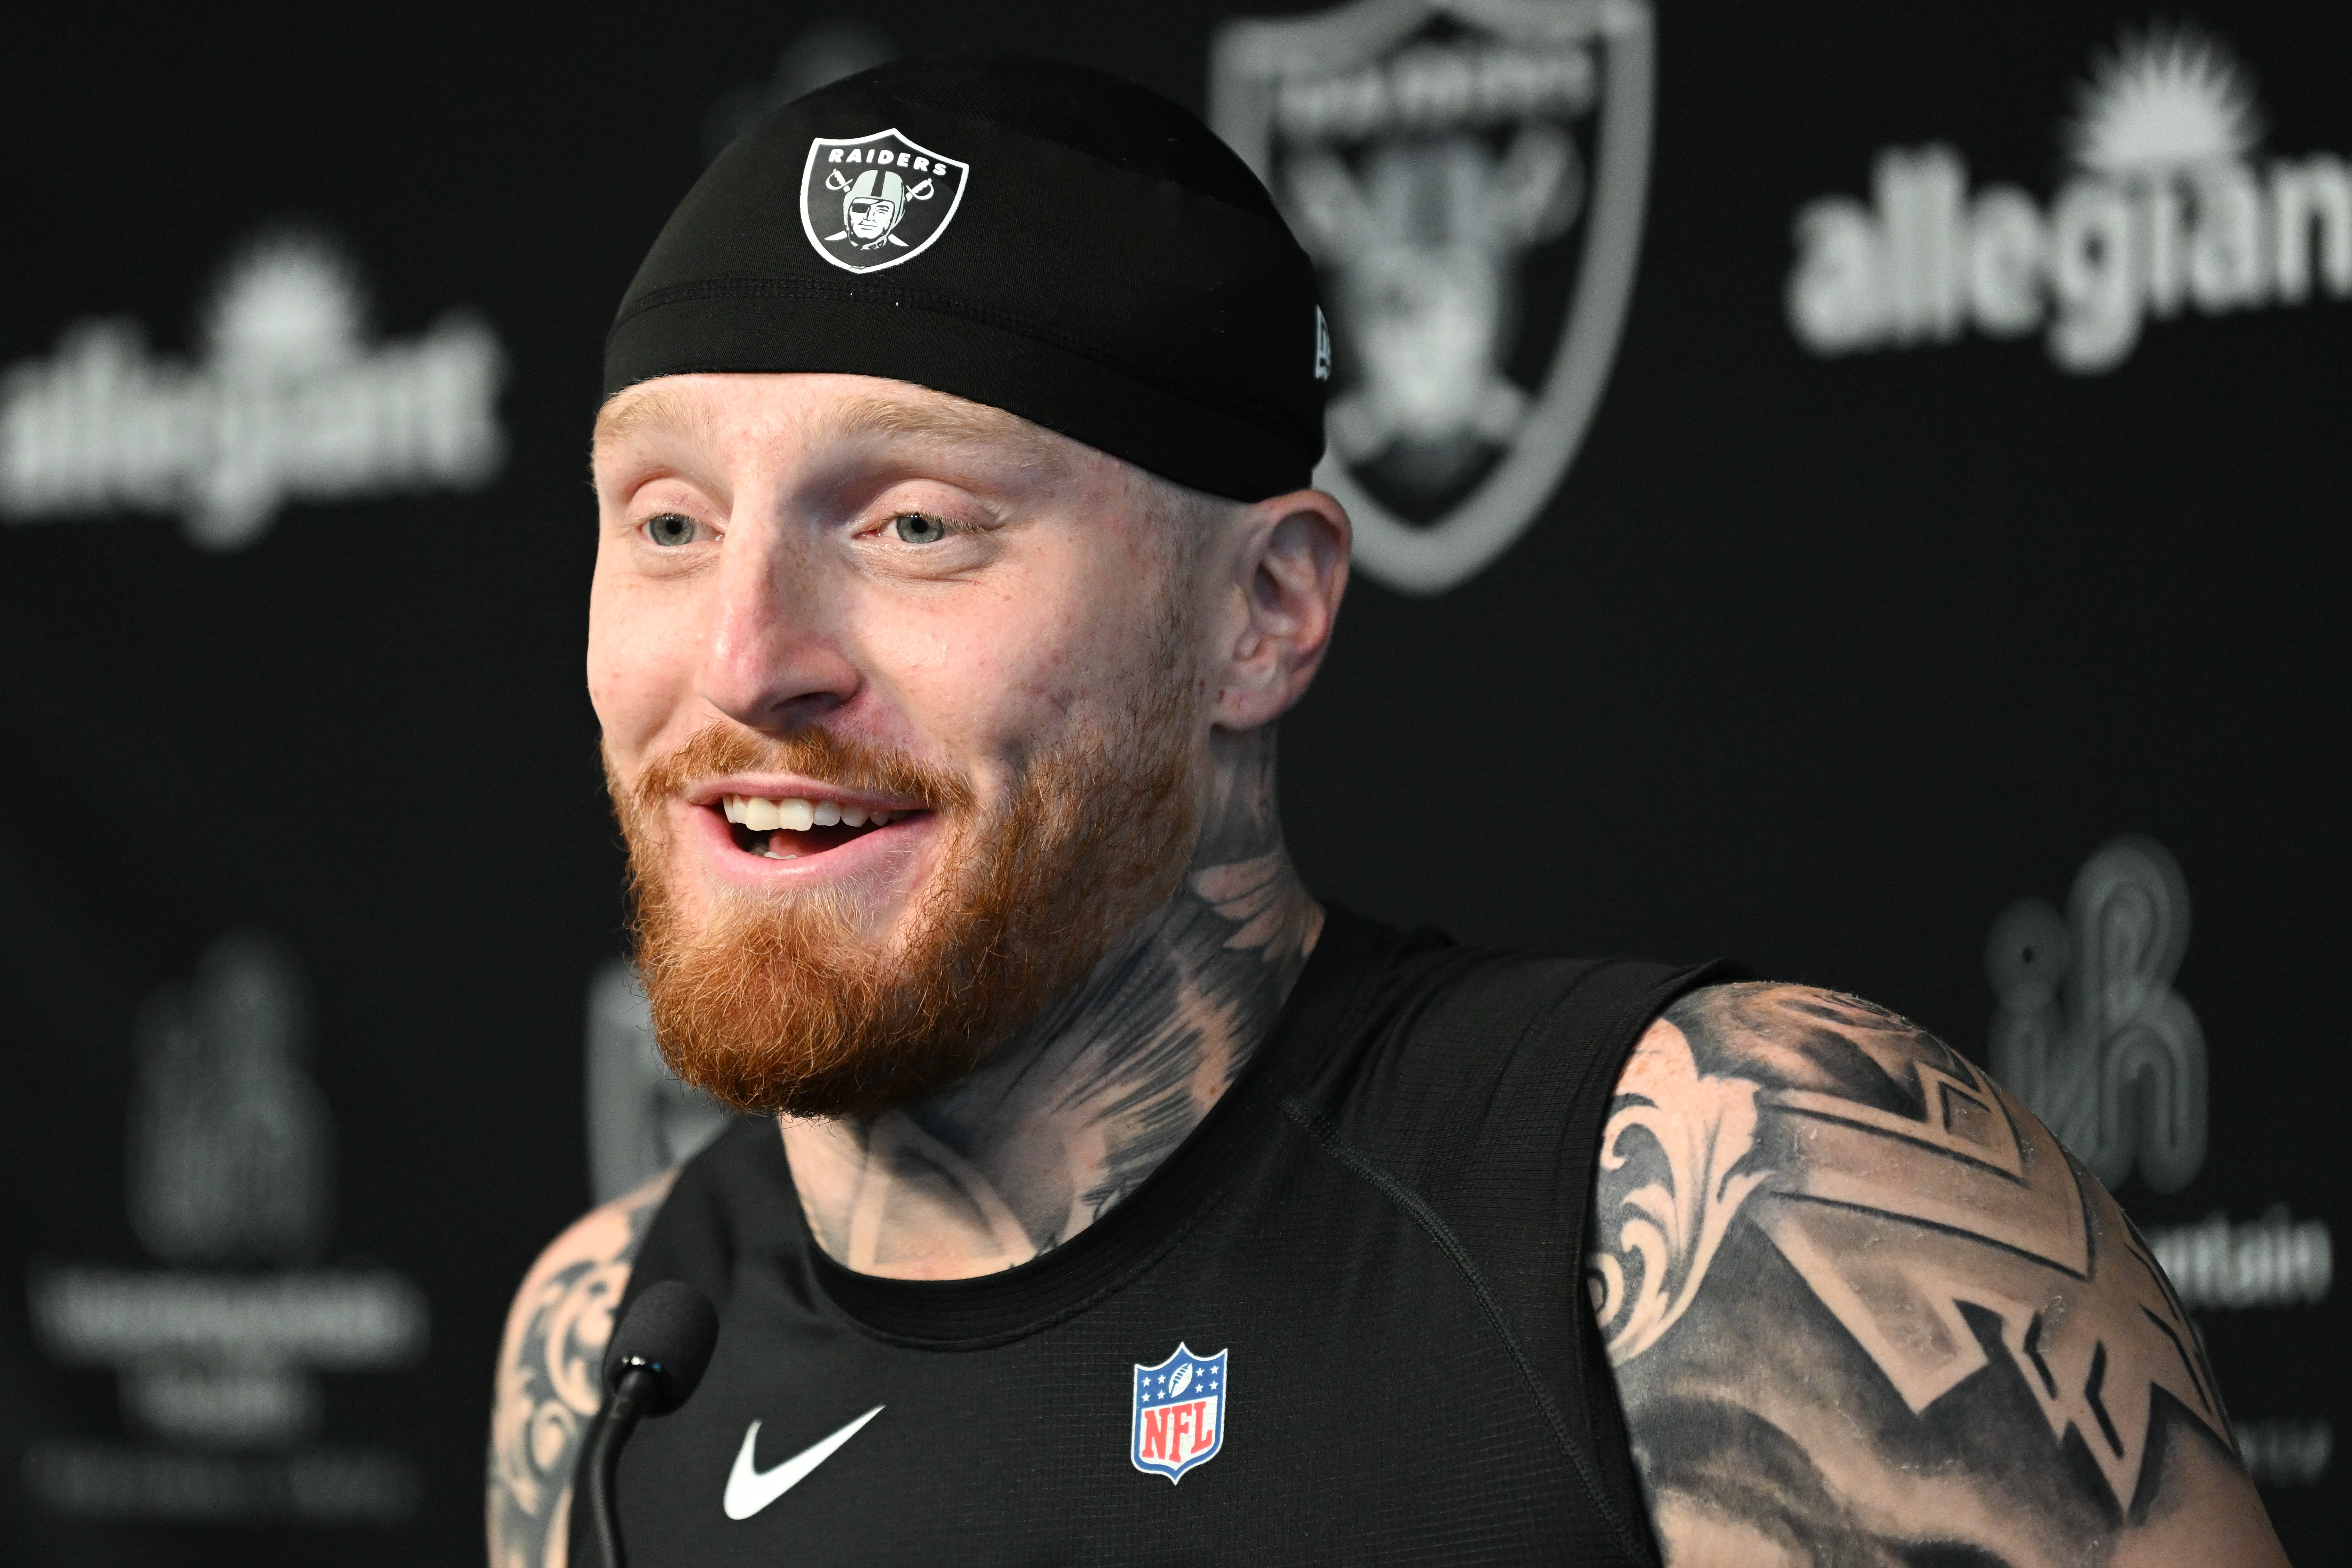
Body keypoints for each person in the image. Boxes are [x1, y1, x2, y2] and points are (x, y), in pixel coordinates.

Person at [487, 55, 2289, 1568]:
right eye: (665, 522)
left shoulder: (1733, 1208)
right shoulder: (606, 1335)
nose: (742, 658)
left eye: (914, 526)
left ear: (1260, 614)